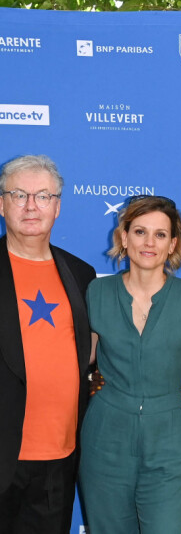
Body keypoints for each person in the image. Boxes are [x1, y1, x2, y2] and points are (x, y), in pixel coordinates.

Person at [78, 195, 181, 534]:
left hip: (168, 443)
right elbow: (79, 360)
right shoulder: (97, 292)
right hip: (105, 440)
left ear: (173, 244)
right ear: (123, 237)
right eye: (140, 232)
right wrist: (89, 378)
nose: (149, 242)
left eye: (160, 234)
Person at [0, 155, 96, 534]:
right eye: (19, 194)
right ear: (1, 203)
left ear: (57, 207)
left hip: (59, 460)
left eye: (43, 196)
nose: (30, 206)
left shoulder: (81, 274)